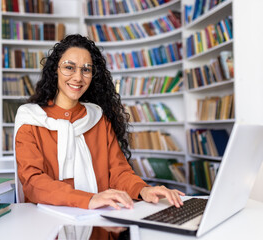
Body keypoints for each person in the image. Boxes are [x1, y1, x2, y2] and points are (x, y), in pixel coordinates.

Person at [14, 34, 184, 210]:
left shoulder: (97, 119)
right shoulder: (31, 119)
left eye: (86, 70)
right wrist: (88, 199)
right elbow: (33, 181)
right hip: (45, 222)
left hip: (99, 218)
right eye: (69, 67)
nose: (78, 77)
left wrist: (143, 190)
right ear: (55, 70)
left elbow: (119, 172)